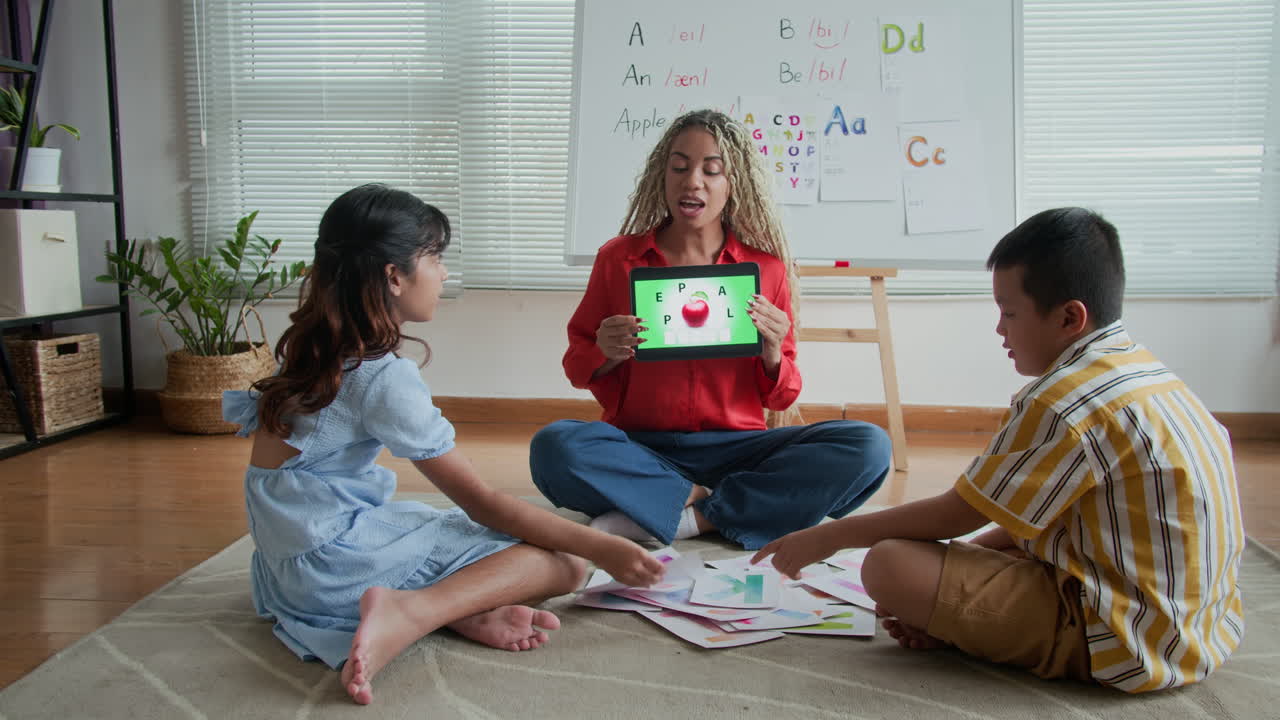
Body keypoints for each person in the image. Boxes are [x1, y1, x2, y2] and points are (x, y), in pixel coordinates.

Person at [753, 207, 1245, 692]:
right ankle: (960, 615)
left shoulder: (1063, 400)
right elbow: (1015, 517)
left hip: (1124, 640)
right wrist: (957, 565)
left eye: (1009, 313)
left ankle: (978, 632)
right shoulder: (1146, 373)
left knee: (889, 564)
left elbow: (958, 514)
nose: (999, 330)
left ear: (1071, 317)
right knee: (947, 554)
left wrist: (832, 536)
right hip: (1195, 627)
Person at [222, 184, 664, 706]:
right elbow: (483, 503)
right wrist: (600, 546)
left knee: (439, 529)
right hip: (332, 570)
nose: (444, 272)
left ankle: (463, 611)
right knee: (566, 564)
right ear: (393, 276)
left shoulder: (311, 347)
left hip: (283, 568)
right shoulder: (381, 377)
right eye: (434, 257)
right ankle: (413, 612)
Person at [530, 109, 893, 551]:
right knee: (555, 447)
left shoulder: (766, 269)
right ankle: (707, 499)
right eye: (679, 167)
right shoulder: (618, 259)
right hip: (641, 447)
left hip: (738, 450)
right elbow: (576, 365)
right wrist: (605, 350)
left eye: (711, 170)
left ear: (732, 183)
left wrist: (774, 351)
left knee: (868, 446)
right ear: (660, 177)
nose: (692, 181)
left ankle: (689, 517)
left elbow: (781, 397)